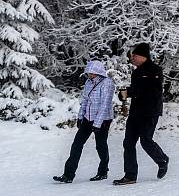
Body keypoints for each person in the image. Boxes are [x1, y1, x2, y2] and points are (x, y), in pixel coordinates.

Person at [113, 43, 170, 186]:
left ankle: (162, 159)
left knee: (145, 140)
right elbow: (137, 89)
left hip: (150, 112)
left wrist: (132, 92)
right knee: (128, 143)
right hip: (135, 112)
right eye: (132, 56)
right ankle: (130, 175)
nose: (132, 58)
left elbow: (154, 92)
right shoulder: (137, 71)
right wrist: (125, 93)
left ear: (143, 56)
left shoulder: (155, 70)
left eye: (134, 56)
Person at [53, 61, 115, 184]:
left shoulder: (107, 83)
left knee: (100, 145)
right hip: (88, 117)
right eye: (88, 72)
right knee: (77, 144)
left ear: (98, 72)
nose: (90, 74)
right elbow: (85, 101)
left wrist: (97, 124)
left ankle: (103, 171)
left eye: (92, 72)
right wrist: (80, 117)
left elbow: (105, 105)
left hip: (103, 119)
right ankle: (68, 175)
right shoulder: (88, 82)